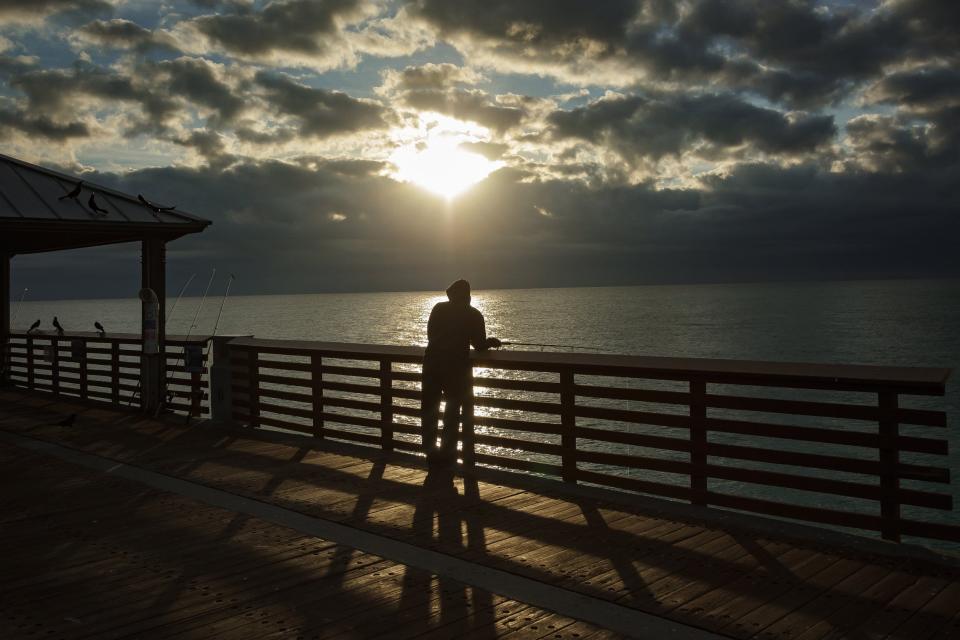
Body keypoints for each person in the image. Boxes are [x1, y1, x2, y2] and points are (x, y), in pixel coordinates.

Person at [421, 279, 500, 468]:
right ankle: (448, 455)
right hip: (455, 369)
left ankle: (430, 453)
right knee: (452, 412)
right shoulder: (473, 314)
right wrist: (491, 342)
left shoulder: (438, 309)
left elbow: (430, 335)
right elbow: (479, 345)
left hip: (431, 364)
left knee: (429, 409)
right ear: (469, 296)